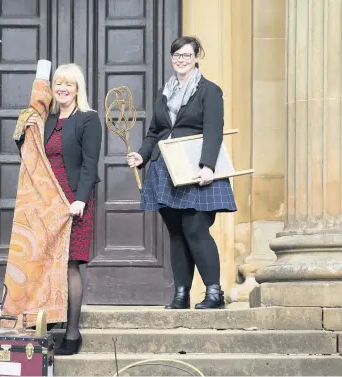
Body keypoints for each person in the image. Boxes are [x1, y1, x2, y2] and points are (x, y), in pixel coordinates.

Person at [127, 36, 236, 310]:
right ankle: (181, 294)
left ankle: (214, 293)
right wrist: (142, 155)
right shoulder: (165, 92)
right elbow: (156, 131)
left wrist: (208, 165)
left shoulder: (210, 91)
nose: (181, 60)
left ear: (196, 56)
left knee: (196, 228)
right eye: (177, 55)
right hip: (165, 169)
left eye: (186, 55)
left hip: (197, 169)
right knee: (176, 232)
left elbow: (213, 130)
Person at [20, 63, 102, 355]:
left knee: (69, 264)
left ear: (78, 89)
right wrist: (24, 127)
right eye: (58, 84)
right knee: (45, 262)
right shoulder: (47, 119)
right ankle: (48, 320)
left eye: (69, 84)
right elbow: (30, 154)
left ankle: (72, 333)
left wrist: (80, 198)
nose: (63, 88)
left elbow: (91, 164)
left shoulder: (88, 120)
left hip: (74, 202)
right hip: (48, 203)